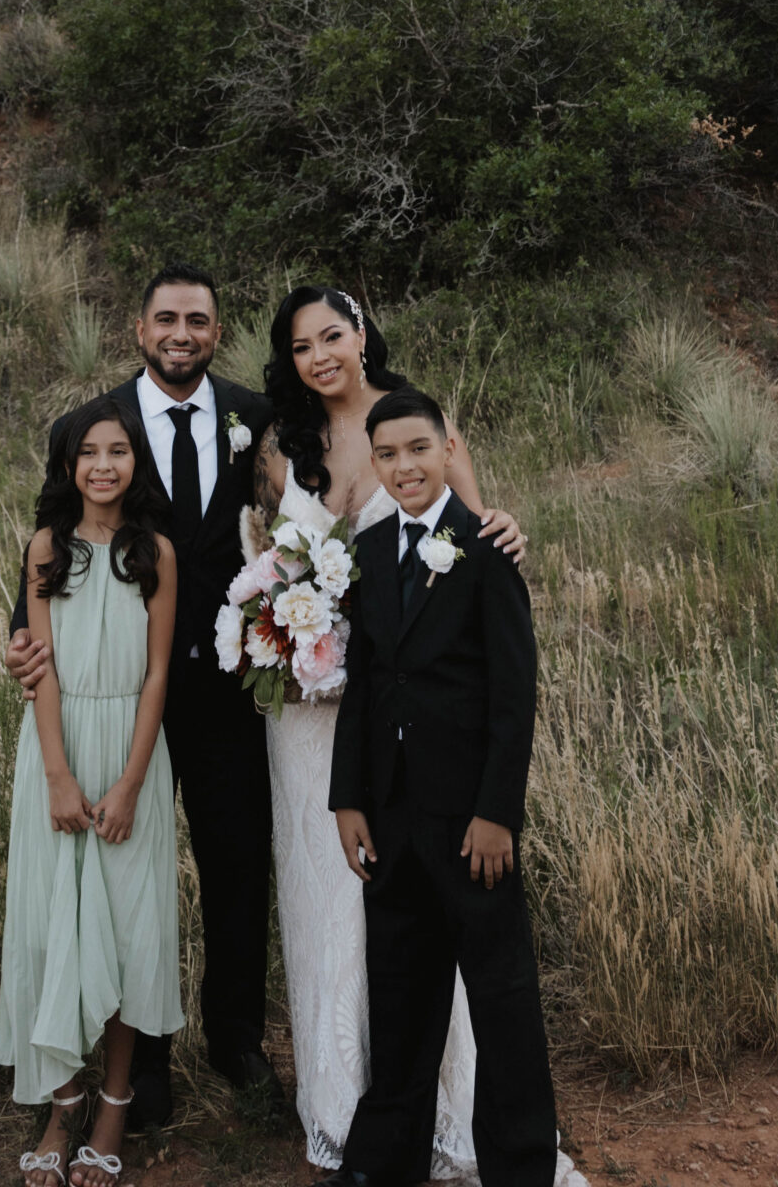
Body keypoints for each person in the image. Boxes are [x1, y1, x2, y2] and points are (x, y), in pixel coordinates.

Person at [250, 287, 529, 1178]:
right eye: (300, 345)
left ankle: (456, 1110)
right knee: (334, 908)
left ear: (361, 333)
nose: (319, 354)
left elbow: (473, 552)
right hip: (313, 721)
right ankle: (346, 1106)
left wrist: (508, 533)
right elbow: (267, 563)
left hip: (427, 741)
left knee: (429, 918)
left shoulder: (418, 429)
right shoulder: (276, 447)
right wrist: (281, 634)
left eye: (332, 333)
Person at [7, 266, 277, 1131]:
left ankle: (235, 1042)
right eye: (167, 318)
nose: (182, 333)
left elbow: (296, 528)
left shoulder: (253, 418)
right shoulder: (93, 426)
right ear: (138, 327)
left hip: (230, 692)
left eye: (198, 319)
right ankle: (144, 1063)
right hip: (121, 702)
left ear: (216, 328)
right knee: (128, 882)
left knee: (236, 871)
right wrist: (21, 635)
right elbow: (53, 544)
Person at [330, 389, 562, 1187]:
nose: (403, 467)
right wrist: (348, 798)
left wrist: (497, 812)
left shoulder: (485, 547)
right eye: (387, 454)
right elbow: (364, 682)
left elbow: (513, 692)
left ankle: (522, 1166)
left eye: (417, 450)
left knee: (500, 1000)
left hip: (470, 824)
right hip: (391, 818)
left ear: (447, 448)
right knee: (398, 994)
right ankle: (381, 1163)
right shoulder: (368, 549)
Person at [0, 394, 181, 1186]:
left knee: (127, 931)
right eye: (87, 454)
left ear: (135, 463)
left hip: (132, 753)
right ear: (67, 466)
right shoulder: (46, 546)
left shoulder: (157, 554)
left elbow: (157, 674)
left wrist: (133, 782)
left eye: (118, 451)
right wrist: (59, 774)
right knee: (50, 927)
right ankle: (61, 1100)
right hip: (57, 748)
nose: (103, 466)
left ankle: (113, 1103)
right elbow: (38, 668)